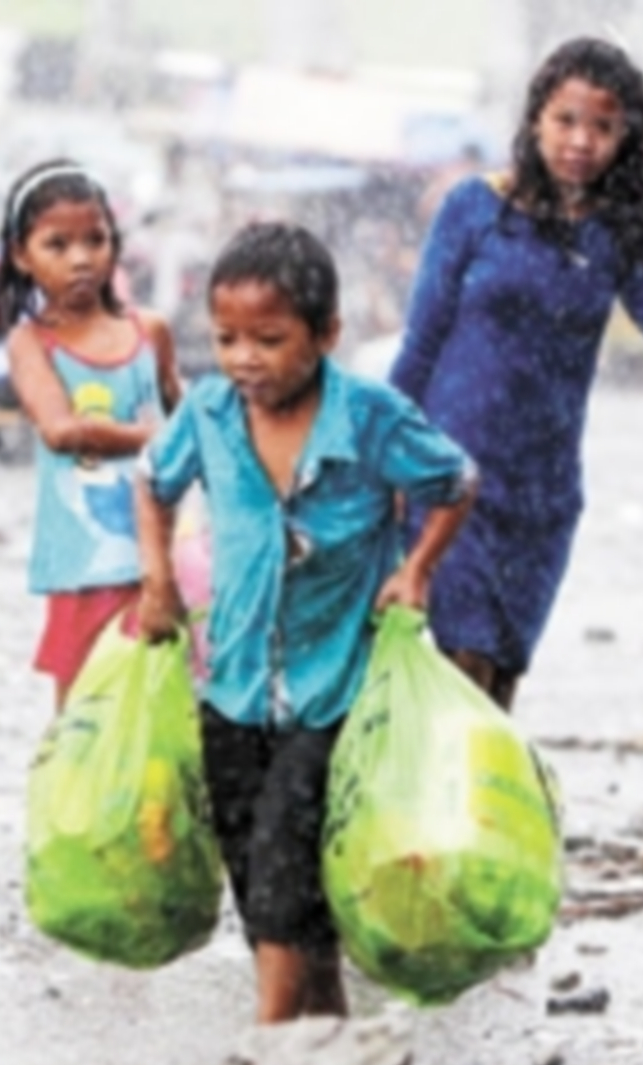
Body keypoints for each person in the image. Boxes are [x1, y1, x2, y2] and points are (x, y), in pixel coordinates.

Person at [135, 221, 476, 1023]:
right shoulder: (212, 412)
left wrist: (414, 567)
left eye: (269, 338)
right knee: (259, 877)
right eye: (226, 338)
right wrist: (156, 579)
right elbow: (153, 483)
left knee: (286, 857)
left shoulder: (370, 416)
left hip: (335, 688)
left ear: (326, 335)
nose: (244, 357)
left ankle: (270, 1046)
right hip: (232, 684)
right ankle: (327, 1034)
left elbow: (456, 481)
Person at [389, 36, 643, 712]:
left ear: (627, 136)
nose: (581, 141)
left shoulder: (619, 235)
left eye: (602, 125)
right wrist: (375, 456)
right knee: (457, 672)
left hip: (543, 494)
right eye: (566, 120)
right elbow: (422, 343)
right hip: (450, 480)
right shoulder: (473, 209)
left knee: (498, 683)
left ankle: (483, 817)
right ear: (534, 120)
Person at [0, 159, 181, 711]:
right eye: (58, 244)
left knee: (162, 703)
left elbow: (191, 424)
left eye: (95, 239)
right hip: (84, 561)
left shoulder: (150, 332)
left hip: (163, 557)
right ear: (21, 257)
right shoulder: (32, 343)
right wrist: (153, 439)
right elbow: (59, 430)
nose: (81, 258)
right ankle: (73, 799)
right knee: (82, 711)